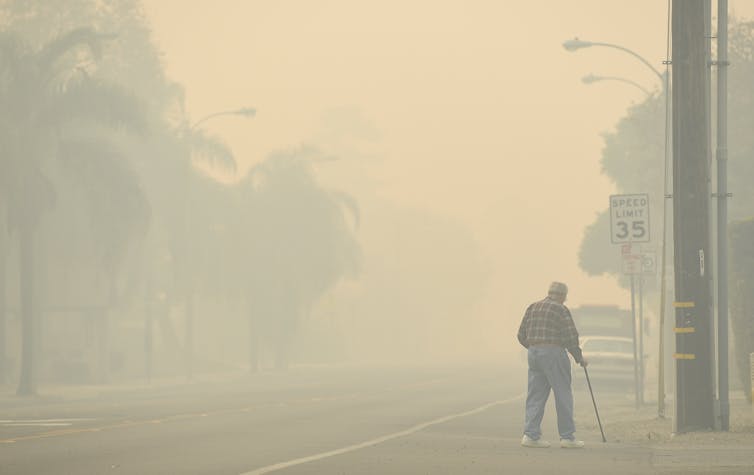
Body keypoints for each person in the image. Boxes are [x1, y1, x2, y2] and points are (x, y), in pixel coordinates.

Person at [517, 281, 587, 449]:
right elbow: (570, 337)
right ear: (563, 296)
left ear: (549, 292)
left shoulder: (533, 307)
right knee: (563, 393)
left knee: (535, 395)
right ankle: (567, 437)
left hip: (534, 353)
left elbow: (520, 334)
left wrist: (535, 347)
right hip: (553, 353)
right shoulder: (560, 309)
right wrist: (579, 357)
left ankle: (530, 435)